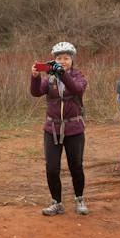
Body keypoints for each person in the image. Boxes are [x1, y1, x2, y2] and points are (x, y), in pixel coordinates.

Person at [31, 41, 89, 216]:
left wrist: (61, 73)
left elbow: (76, 88)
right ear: (53, 59)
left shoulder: (79, 76)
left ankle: (80, 199)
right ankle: (56, 202)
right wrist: (34, 77)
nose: (62, 61)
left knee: (76, 166)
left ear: (72, 60)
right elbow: (36, 92)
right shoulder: (49, 78)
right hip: (52, 128)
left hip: (74, 128)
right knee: (52, 168)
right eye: (59, 58)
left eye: (66, 58)